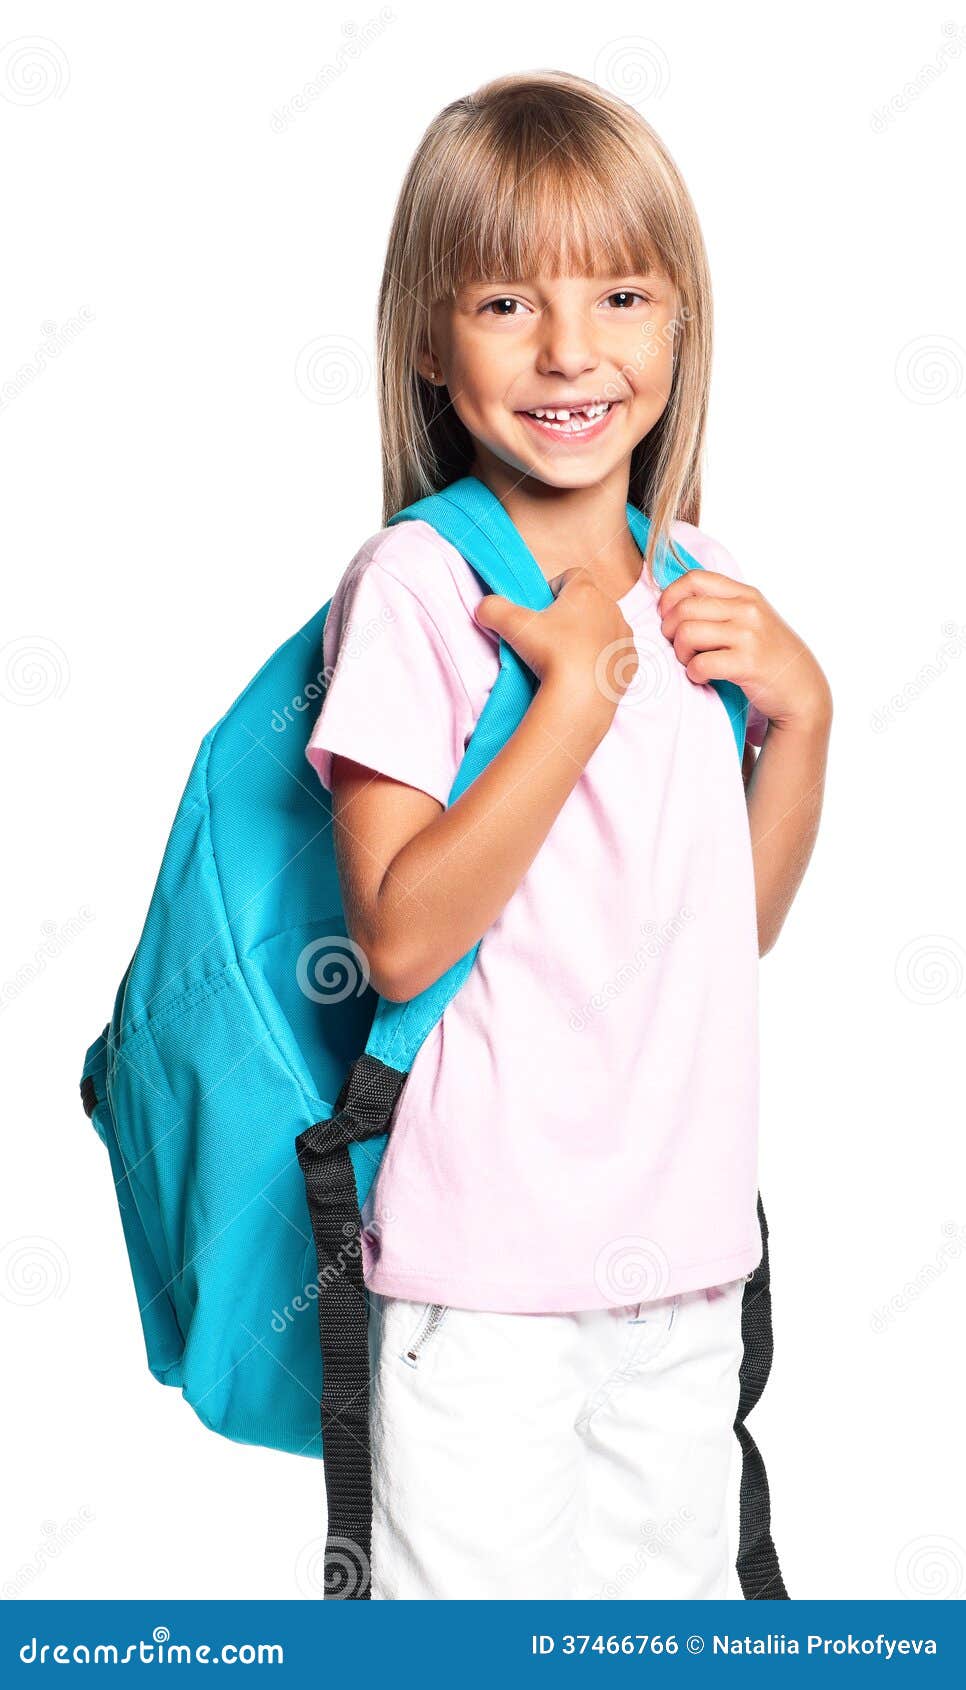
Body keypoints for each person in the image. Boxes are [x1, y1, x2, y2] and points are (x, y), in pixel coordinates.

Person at [304, 70, 832, 1600]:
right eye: (502, 303)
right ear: (425, 337)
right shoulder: (416, 583)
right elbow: (396, 933)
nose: (570, 350)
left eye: (618, 292)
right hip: (482, 1287)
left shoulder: (697, 580)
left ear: (679, 320)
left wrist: (799, 718)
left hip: (680, 1268)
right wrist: (570, 706)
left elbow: (717, 931)